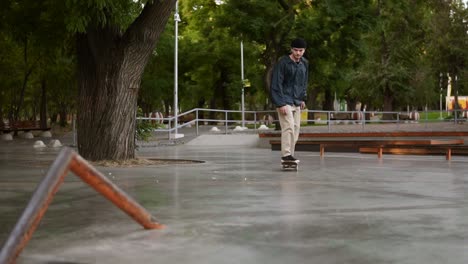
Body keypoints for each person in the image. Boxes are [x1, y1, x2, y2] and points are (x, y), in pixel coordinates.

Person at [270, 38, 309, 163]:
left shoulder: (304, 63)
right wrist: (280, 103)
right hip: (284, 100)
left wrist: (303, 98)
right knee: (289, 127)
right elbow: (276, 83)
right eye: (296, 50)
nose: (298, 53)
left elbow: (303, 82)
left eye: (300, 50)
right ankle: (286, 154)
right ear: (291, 50)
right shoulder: (283, 63)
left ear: (304, 51)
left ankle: (290, 155)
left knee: (296, 129)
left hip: (297, 100)